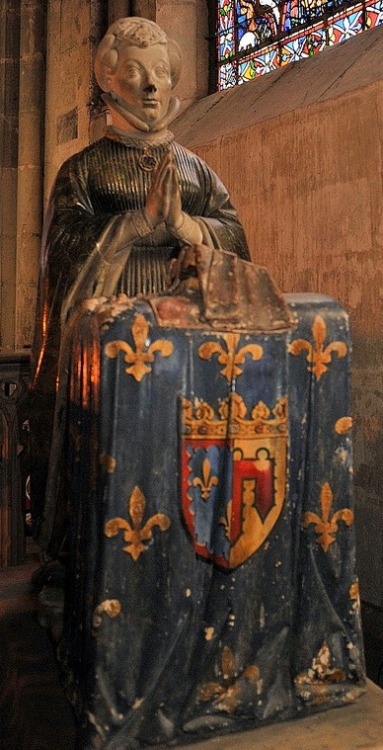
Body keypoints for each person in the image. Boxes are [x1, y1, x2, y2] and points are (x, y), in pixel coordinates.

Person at [29, 17, 250, 552]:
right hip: (106, 357)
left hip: (187, 352)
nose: (151, 85)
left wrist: (186, 227)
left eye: (159, 72)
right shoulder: (83, 170)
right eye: (135, 71)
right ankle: (88, 567)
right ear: (109, 80)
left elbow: (238, 247)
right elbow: (62, 254)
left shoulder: (196, 173)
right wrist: (135, 223)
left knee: (177, 465)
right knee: (115, 463)